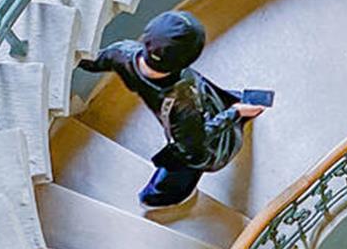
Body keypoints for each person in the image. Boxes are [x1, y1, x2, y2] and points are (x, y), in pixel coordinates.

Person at [76, 11, 266, 211]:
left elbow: (93, 61)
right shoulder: (183, 105)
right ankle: (163, 196)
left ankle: (235, 103)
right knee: (183, 167)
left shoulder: (122, 53)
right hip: (191, 141)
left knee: (211, 101)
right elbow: (196, 148)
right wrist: (234, 113)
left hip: (187, 109)